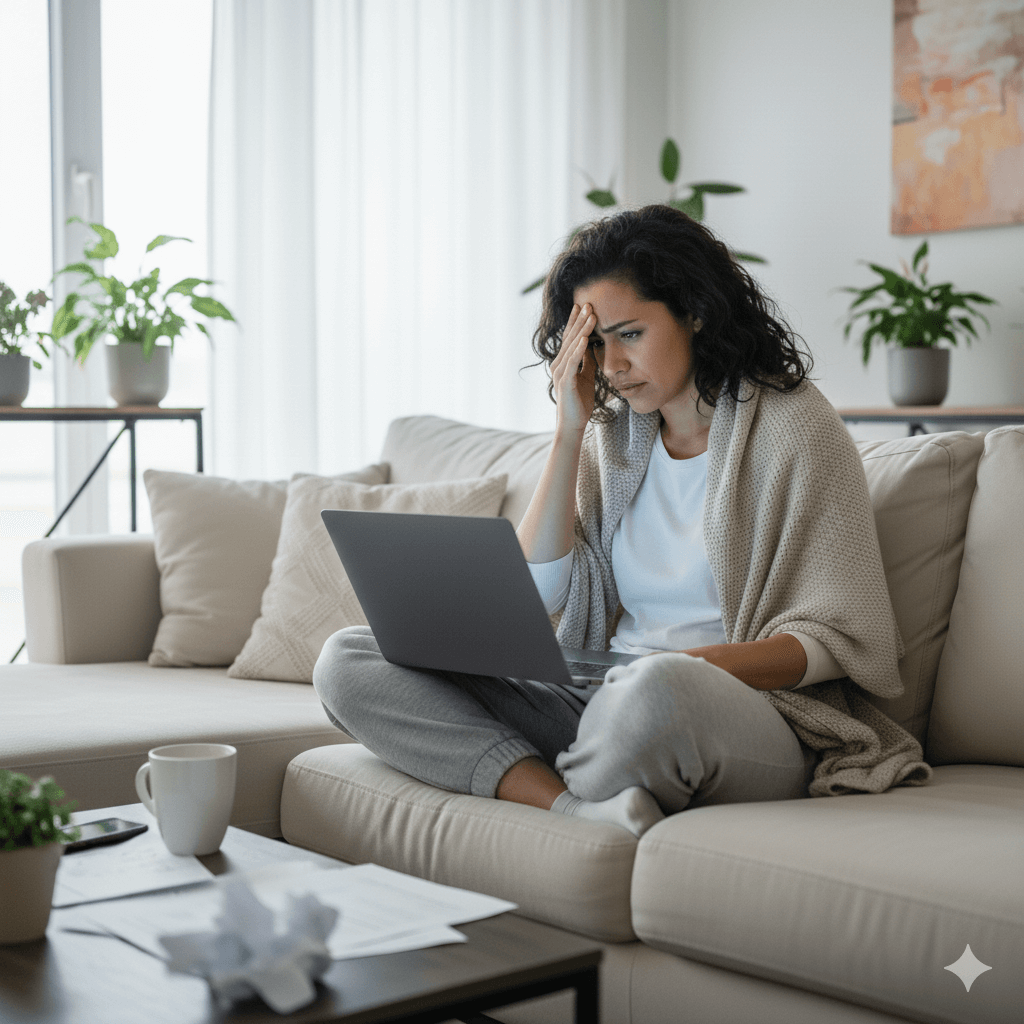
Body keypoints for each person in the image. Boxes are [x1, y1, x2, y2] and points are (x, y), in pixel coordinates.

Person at [313, 205, 930, 838]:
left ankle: (539, 769)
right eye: (595, 342)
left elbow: (835, 642)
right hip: (604, 696)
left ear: (695, 311)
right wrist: (569, 430)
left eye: (629, 333)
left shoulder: (795, 427)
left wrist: (681, 668)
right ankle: (572, 806)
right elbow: (543, 594)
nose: (609, 367)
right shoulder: (616, 440)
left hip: (733, 711)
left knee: (656, 692)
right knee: (349, 659)